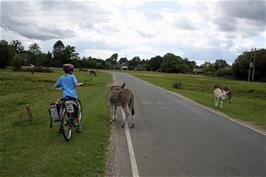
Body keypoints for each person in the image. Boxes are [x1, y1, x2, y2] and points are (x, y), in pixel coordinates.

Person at [54, 64, 82, 133]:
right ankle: (78, 127)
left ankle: (61, 127)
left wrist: (63, 86)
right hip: (72, 96)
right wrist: (81, 84)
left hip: (64, 97)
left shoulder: (61, 77)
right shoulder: (72, 76)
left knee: (61, 109)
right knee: (76, 111)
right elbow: (76, 84)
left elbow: (57, 86)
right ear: (71, 70)